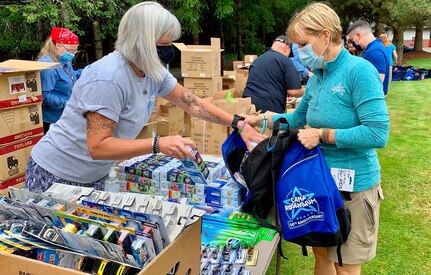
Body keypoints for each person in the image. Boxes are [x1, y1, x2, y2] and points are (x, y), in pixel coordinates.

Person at [25, 2, 265, 193]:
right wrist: (158, 144)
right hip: (57, 175)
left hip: (93, 175)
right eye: (162, 43)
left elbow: (192, 104)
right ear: (140, 42)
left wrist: (238, 123)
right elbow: (98, 146)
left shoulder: (151, 71)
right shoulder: (108, 78)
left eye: (169, 42)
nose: (168, 49)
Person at [245, 3, 389, 275]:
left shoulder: (359, 72)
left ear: (325, 36)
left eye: (303, 43)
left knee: (344, 265)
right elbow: (298, 119)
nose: (299, 51)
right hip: (321, 181)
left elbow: (377, 132)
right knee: (322, 257)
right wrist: (263, 119)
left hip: (354, 187)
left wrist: (323, 135)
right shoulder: (317, 77)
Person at [38, 27, 83, 133]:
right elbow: (44, 95)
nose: (72, 54)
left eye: (75, 51)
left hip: (65, 116)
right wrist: (67, 104)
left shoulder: (63, 59)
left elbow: (70, 77)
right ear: (58, 45)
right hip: (52, 121)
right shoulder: (48, 67)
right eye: (70, 50)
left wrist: (87, 71)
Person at [242, 35, 302, 114]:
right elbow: (294, 92)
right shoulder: (285, 60)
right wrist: (309, 89)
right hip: (269, 110)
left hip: (247, 105)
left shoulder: (257, 60)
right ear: (287, 48)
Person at [346, 20, 390, 96]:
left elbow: (376, 83)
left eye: (352, 40)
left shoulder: (374, 52)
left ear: (358, 35)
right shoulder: (375, 48)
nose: (352, 44)